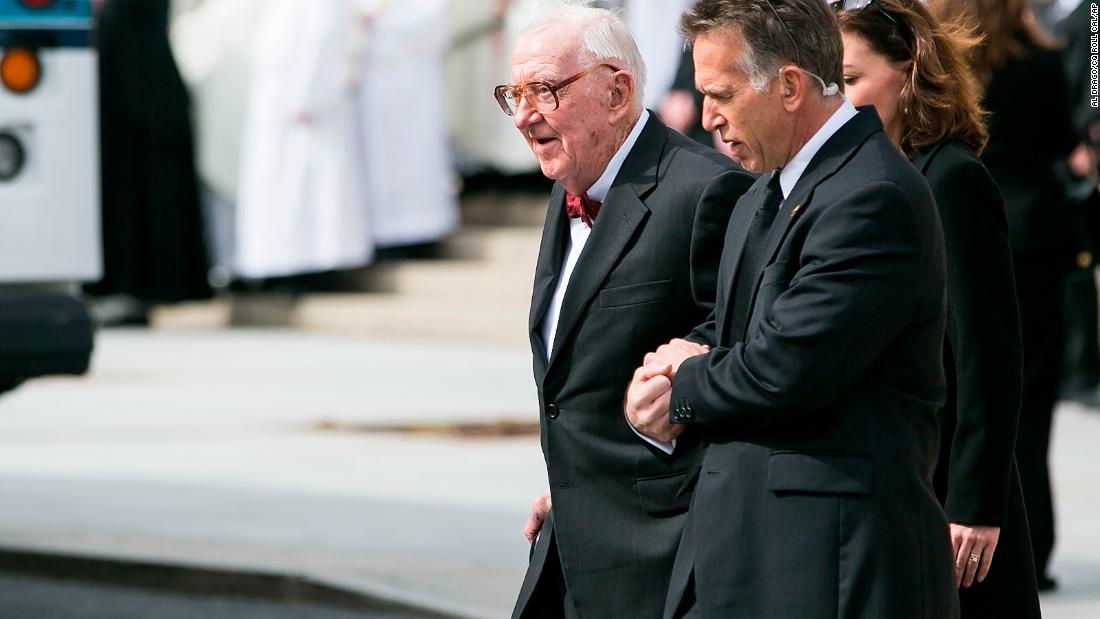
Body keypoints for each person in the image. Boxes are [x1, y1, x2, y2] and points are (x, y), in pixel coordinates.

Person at [625, 0, 958, 616]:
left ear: (789, 86)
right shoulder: (767, 190)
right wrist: (670, 364)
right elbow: (734, 328)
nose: (707, 117)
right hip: (754, 556)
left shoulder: (873, 195)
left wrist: (684, 385)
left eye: (721, 93)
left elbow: (788, 363)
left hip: (830, 568)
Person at [497, 2, 755, 617]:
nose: (525, 115)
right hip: (573, 541)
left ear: (617, 92)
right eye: (514, 95)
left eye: (546, 91)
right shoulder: (572, 187)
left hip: (664, 557)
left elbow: (741, 348)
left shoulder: (705, 190)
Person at [836, 1, 1040, 616]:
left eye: (851, 79)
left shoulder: (950, 179)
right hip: (897, 483)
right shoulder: (867, 178)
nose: (840, 99)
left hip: (954, 496)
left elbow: (989, 354)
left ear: (908, 69)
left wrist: (975, 504)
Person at [929, 0, 1079, 591]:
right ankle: (1032, 543)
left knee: (978, 380)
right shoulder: (1044, 58)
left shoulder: (951, 57)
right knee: (1030, 400)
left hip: (980, 223)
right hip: (1035, 235)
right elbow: (1063, 138)